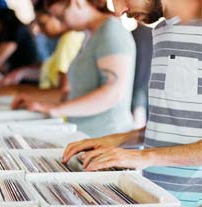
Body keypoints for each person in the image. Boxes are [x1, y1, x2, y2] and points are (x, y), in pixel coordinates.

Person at [62, 0, 202, 206]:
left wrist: (143, 156)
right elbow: (174, 125)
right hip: (156, 195)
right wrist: (118, 140)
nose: (118, 12)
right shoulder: (162, 31)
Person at [12, 0, 136, 137]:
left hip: (108, 137)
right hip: (87, 136)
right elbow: (78, 91)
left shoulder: (111, 30)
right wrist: (39, 102)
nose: (63, 23)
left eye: (61, 16)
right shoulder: (89, 35)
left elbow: (113, 93)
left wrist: (55, 109)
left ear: (77, 3)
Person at [0, 0, 85, 104]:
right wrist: (21, 73)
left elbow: (64, 93)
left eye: (43, 24)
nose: (39, 30)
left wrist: (17, 91)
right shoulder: (61, 40)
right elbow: (52, 72)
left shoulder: (69, 40)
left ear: (57, 17)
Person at [131, 24, 153, 128]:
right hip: (150, 79)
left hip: (137, 81)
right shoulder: (155, 34)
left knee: (138, 114)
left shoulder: (132, 35)